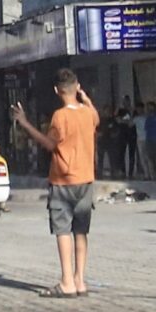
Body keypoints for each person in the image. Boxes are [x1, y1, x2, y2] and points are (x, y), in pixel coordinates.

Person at [11, 71, 98, 296]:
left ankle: (67, 282)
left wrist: (25, 123)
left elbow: (49, 144)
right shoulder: (88, 113)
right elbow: (96, 117)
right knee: (81, 231)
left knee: (63, 230)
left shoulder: (60, 116)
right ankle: (80, 280)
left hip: (63, 180)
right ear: (77, 86)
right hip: (86, 180)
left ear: (57, 91)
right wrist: (85, 98)